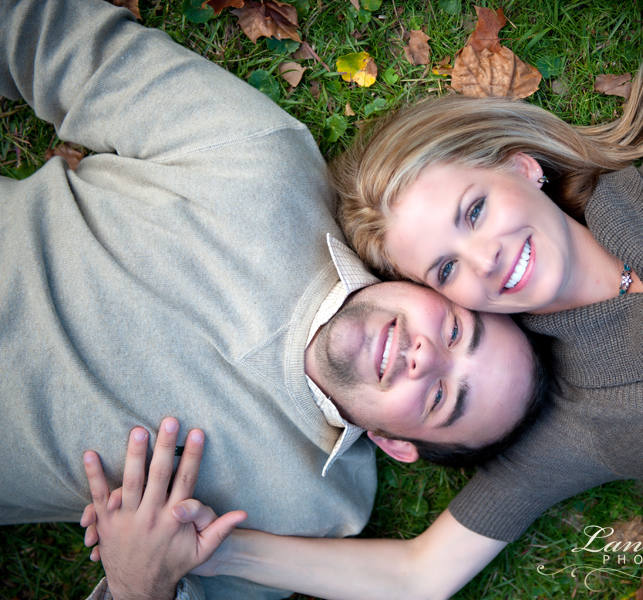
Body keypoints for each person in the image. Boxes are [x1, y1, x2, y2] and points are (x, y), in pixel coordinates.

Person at [84, 49, 643, 598]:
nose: (482, 260)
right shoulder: (573, 416)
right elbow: (418, 575)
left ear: (522, 167)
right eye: (443, 269)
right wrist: (209, 551)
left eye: (473, 210)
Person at [0, 0, 544, 598]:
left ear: (396, 444)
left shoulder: (311, 516)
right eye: (457, 333)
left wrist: (137, 586)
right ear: (431, 286)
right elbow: (52, 40)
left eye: (442, 395)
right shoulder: (264, 162)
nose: (424, 356)